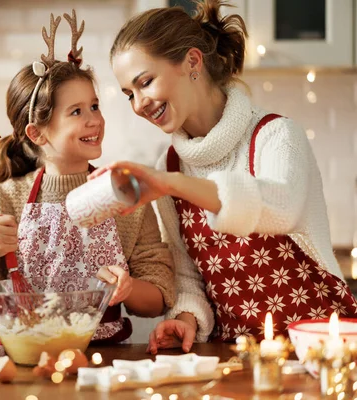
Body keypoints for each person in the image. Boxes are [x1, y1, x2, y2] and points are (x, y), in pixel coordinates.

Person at [96, 0, 357, 353]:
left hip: (320, 349)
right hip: (234, 354)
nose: (139, 103)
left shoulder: (275, 135)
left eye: (145, 82)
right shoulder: (170, 164)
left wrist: (167, 183)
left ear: (192, 62)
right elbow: (190, 276)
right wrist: (185, 319)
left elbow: (281, 208)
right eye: (129, 94)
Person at [0, 11, 175, 344]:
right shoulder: (7, 199)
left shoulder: (124, 196)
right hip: (25, 357)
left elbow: (157, 298)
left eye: (94, 106)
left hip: (103, 361)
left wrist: (128, 288)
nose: (94, 120)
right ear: (37, 134)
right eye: (77, 112)